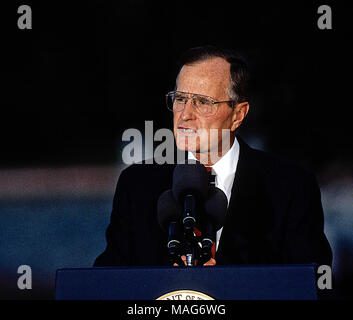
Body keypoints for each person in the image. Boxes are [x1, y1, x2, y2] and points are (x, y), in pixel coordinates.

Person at [94, 46, 332, 267]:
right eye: (180, 99)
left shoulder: (290, 187)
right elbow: (107, 282)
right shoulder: (137, 186)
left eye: (202, 102)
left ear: (238, 115)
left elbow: (309, 283)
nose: (185, 115)